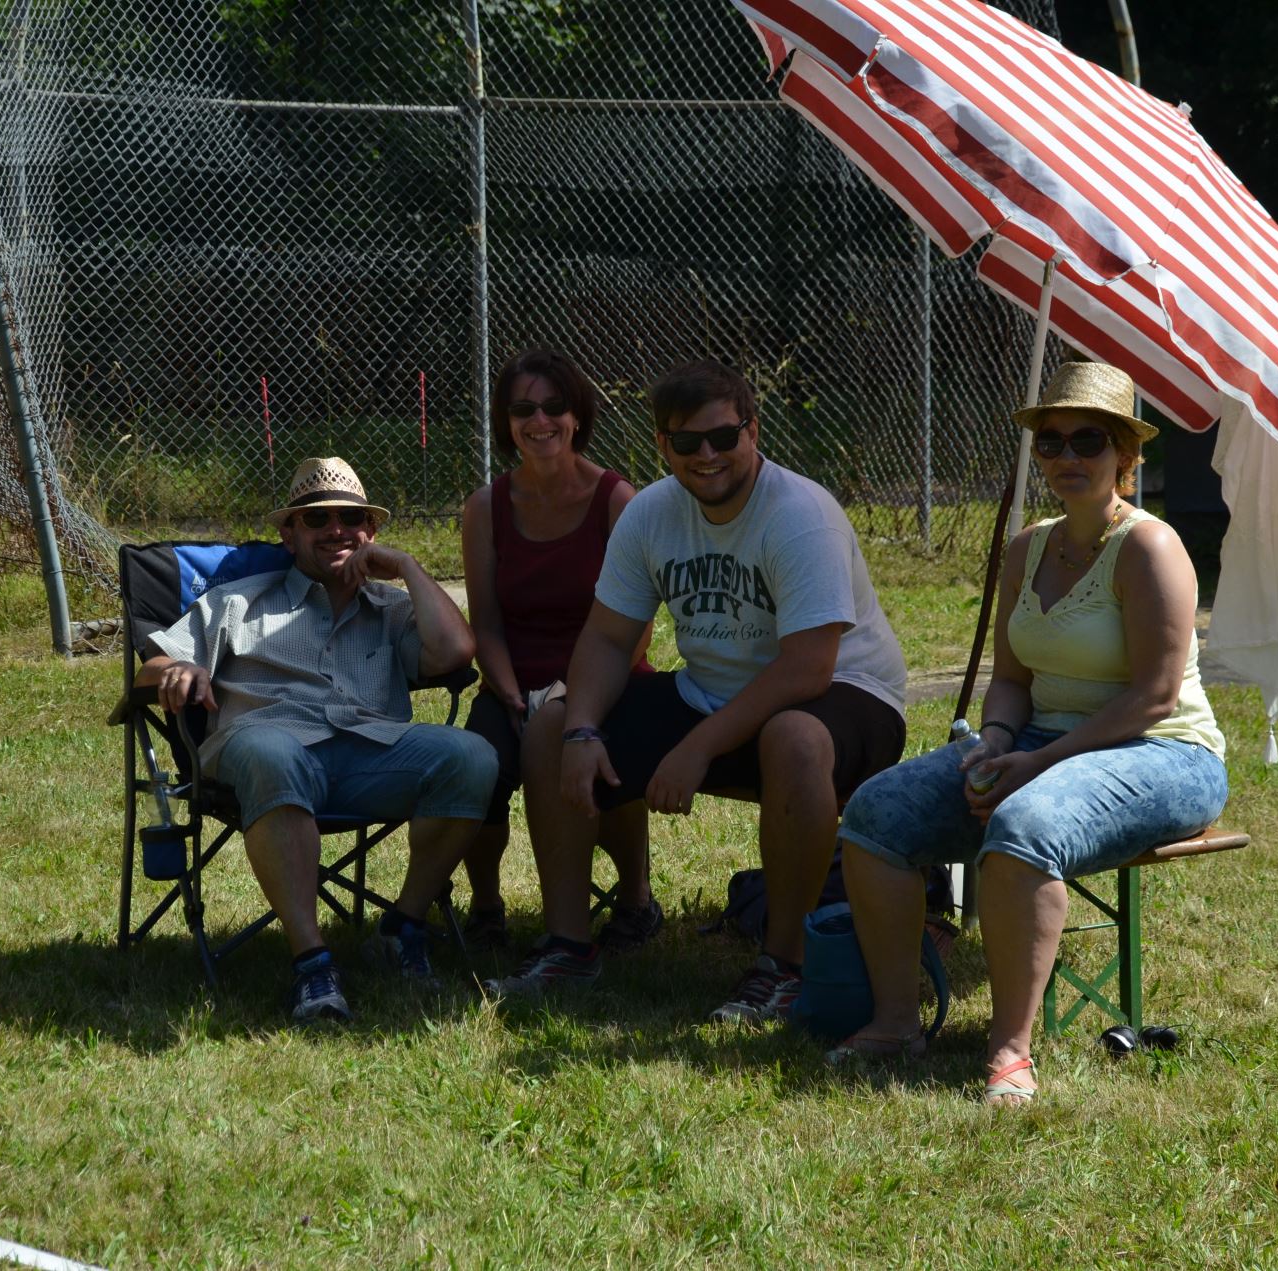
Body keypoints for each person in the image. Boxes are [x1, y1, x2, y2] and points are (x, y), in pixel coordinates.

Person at [830, 360, 1228, 1106]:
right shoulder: (1029, 547)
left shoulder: (1151, 549)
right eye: (1050, 442)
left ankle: (1009, 1052)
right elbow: (1011, 677)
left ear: (1125, 456)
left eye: (1089, 441)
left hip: (1166, 753)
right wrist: (994, 738)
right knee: (875, 813)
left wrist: (1034, 762)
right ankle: (893, 1021)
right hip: (1041, 738)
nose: (1067, 457)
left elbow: (1153, 695)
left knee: (1024, 824)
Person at [488, 359, 909, 1022]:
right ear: (663, 445)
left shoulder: (801, 514)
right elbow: (603, 639)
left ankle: (786, 964)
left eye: (724, 437)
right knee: (549, 723)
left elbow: (808, 669)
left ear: (753, 430)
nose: (707, 455)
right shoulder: (651, 513)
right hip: (712, 694)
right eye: (687, 442)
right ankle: (569, 945)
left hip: (849, 697)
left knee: (794, 736)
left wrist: (695, 748)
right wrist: (581, 730)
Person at [137, 457, 498, 1024]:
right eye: (317, 518)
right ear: (289, 533)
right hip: (261, 747)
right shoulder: (238, 602)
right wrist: (173, 673)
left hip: (366, 753)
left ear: (370, 532)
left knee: (473, 756)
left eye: (352, 518)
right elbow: (155, 661)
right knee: (274, 753)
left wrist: (404, 566)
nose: (336, 529)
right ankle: (313, 962)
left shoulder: (392, 607)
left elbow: (456, 652)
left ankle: (402, 927)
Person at [458, 349, 657, 953]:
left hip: (608, 680)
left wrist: (574, 700)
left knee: (608, 765)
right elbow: (485, 624)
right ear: (506, 421)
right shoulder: (485, 508)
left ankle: (635, 899)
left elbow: (637, 630)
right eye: (523, 408)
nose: (539, 420)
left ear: (577, 417)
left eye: (554, 406)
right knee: (474, 766)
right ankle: (487, 903)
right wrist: (512, 693)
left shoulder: (621, 502)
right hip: (514, 681)